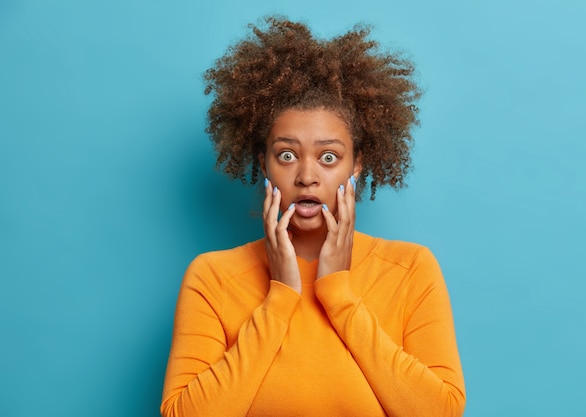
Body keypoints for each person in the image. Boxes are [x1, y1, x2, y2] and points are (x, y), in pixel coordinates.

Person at [160, 16, 465, 417]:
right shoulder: (213, 277)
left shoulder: (410, 270)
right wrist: (281, 297)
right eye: (286, 155)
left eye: (328, 157)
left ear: (356, 165)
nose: (306, 176)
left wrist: (338, 293)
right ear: (264, 163)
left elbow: (440, 412)